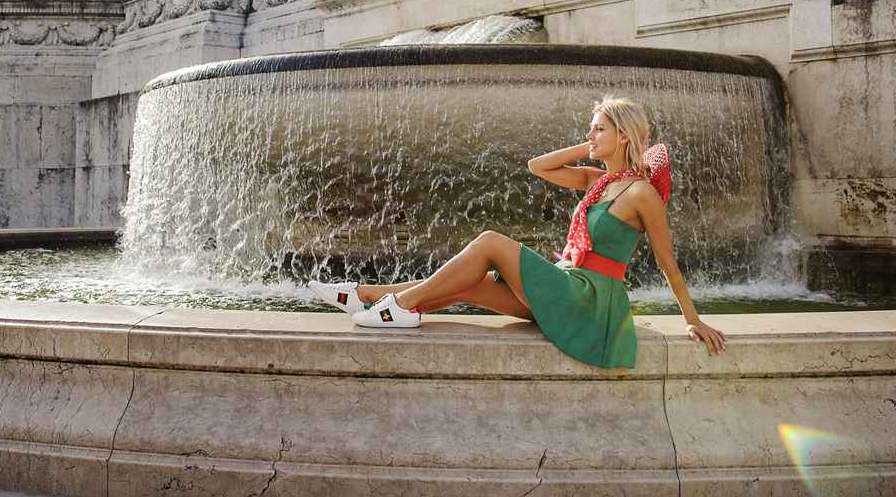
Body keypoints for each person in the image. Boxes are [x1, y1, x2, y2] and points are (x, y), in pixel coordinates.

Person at [310, 98, 727, 364]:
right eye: (592, 128)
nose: (590, 134)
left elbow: (666, 262)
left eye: (598, 128)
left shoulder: (641, 194)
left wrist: (693, 320)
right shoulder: (595, 181)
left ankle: (395, 305)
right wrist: (591, 148)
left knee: (490, 242)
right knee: (470, 284)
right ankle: (366, 295)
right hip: (567, 285)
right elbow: (537, 166)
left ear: (623, 135)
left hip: (590, 301)